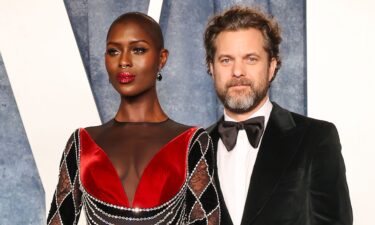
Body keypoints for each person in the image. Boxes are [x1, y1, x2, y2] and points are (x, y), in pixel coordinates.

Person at [47, 12, 220, 225]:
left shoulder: (191, 142)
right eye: (113, 51)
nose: (124, 61)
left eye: (138, 50)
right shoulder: (81, 144)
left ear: (162, 58)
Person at [204, 6, 352, 225]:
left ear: (272, 66)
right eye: (226, 60)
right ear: (211, 67)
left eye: (251, 59)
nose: (237, 71)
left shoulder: (316, 139)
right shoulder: (194, 150)